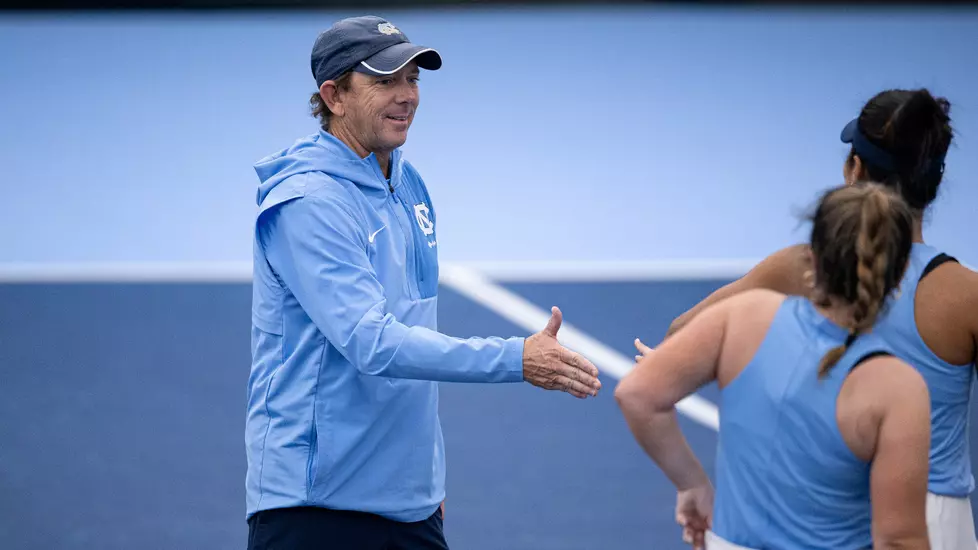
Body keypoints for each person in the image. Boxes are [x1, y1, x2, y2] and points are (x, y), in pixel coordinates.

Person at [244, 15, 601, 550]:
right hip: (316, 508)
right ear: (334, 96)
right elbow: (372, 342)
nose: (406, 95)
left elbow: (413, 323)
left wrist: (423, 479)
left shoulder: (407, 182)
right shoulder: (309, 204)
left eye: (412, 79)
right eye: (385, 81)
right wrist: (514, 359)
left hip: (407, 503)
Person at [662, 88, 977, 549]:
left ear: (854, 170)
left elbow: (680, 336)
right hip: (938, 525)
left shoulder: (799, 269)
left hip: (823, 509)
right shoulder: (966, 295)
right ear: (932, 183)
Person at [616, 183, 931, 549]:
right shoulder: (899, 388)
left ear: (811, 257)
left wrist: (693, 484)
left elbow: (636, 394)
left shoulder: (743, 316)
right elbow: (898, 540)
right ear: (899, 273)